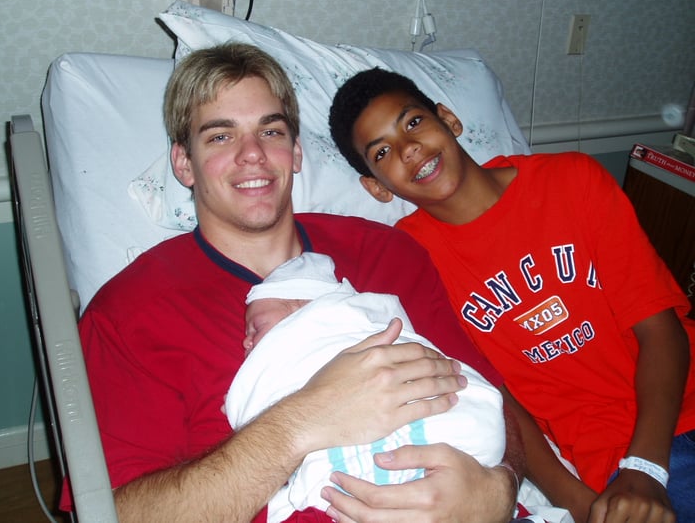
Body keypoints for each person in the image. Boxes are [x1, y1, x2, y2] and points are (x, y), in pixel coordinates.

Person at [72, 43, 528, 523]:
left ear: (294, 153)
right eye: (220, 137)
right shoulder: (129, 314)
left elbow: (491, 398)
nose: (252, 155)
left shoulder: (387, 255)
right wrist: (303, 420)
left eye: (270, 131)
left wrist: (500, 488)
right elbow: (116, 514)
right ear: (183, 164)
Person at [328, 66, 695, 523]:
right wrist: (576, 503)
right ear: (377, 187)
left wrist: (645, 467)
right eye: (382, 151)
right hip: (613, 456)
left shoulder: (573, 182)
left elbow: (661, 325)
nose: (409, 149)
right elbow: (500, 400)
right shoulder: (410, 264)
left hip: (670, 415)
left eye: (414, 122)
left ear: (449, 119)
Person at [226, 251, 506, 523]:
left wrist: (499, 491)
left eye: (255, 326)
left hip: (462, 462)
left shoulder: (376, 269)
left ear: (305, 306)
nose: (246, 342)